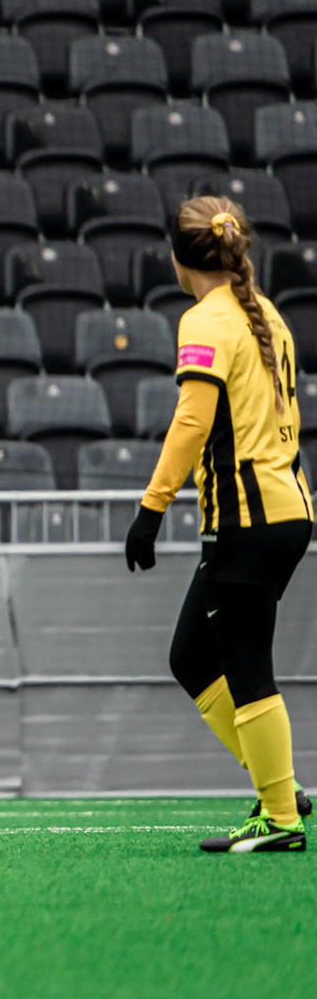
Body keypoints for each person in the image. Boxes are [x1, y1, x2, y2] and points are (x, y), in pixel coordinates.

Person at [126, 196, 315, 854]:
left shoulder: (206, 319)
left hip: (247, 518)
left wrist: (151, 508)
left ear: (180, 260)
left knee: (245, 665)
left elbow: (192, 422)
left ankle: (280, 817)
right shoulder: (267, 316)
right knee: (192, 655)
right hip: (287, 509)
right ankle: (279, 791)